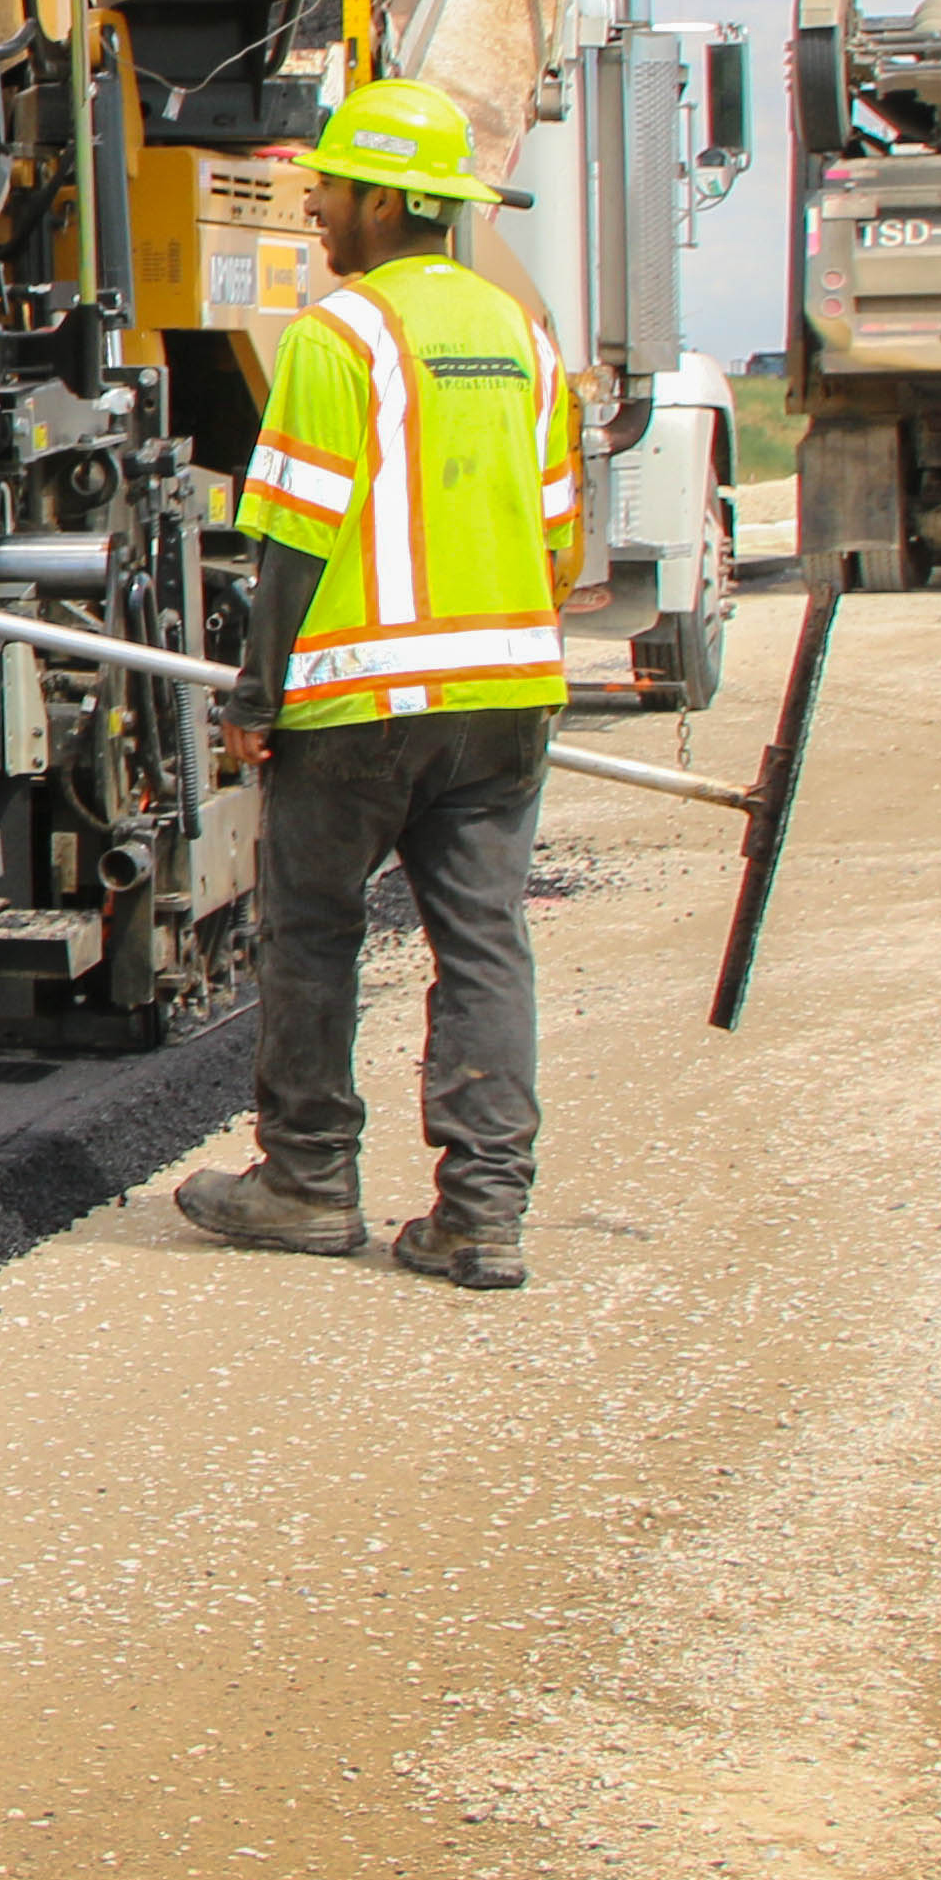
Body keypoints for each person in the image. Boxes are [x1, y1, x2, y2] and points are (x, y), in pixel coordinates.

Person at [172, 77, 586, 1292]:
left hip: (362, 704)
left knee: (309, 931)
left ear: (385, 202)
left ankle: (305, 1182)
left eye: (332, 187)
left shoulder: (339, 335)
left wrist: (256, 698)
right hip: (507, 697)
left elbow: (293, 537)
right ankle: (482, 1215)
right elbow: (559, 538)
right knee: (485, 943)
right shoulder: (524, 339)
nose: (314, 206)